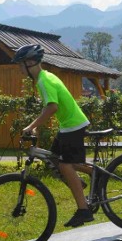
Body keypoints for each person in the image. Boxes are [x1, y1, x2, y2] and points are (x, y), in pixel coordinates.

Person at [12, 43, 94, 228]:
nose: (19, 68)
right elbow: (51, 107)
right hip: (67, 125)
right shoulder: (44, 77)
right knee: (55, 159)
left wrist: (31, 126)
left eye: (20, 64)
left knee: (65, 166)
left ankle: (84, 210)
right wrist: (36, 127)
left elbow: (52, 107)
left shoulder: (43, 80)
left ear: (30, 62)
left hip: (72, 125)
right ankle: (88, 175)